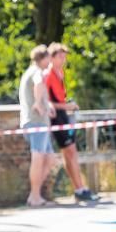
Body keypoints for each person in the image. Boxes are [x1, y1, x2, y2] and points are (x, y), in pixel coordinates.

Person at [43, 43, 97, 203]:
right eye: (60, 56)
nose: (63, 59)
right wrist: (66, 106)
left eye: (64, 56)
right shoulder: (48, 75)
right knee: (70, 152)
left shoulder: (60, 73)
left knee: (70, 153)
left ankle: (79, 188)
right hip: (56, 118)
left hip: (63, 116)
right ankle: (80, 188)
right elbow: (47, 102)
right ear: (52, 57)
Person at [19, 45, 59, 207]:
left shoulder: (30, 71)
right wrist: (38, 103)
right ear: (44, 58)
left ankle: (34, 195)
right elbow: (38, 84)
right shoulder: (37, 72)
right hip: (36, 122)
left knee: (49, 159)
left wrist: (46, 104)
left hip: (38, 122)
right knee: (38, 158)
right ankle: (35, 197)